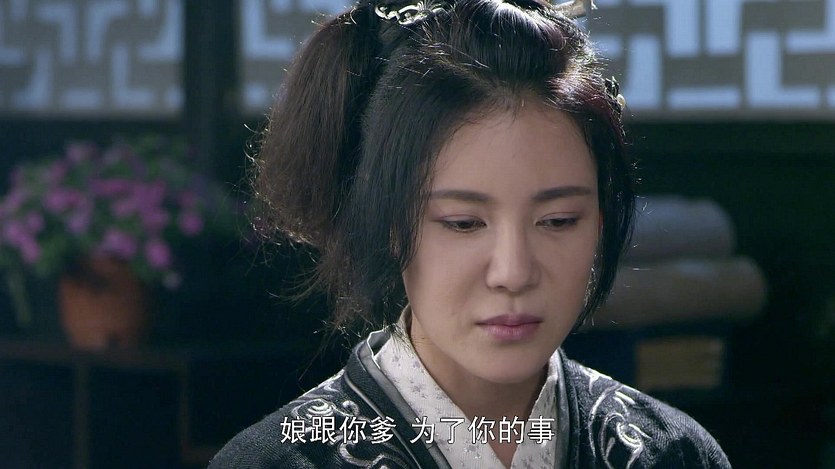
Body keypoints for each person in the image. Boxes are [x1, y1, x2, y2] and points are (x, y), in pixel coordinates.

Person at [210, 0, 731, 466]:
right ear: (390, 224)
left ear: (600, 220)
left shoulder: (670, 454)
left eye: (558, 221)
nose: (513, 273)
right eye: (463, 223)